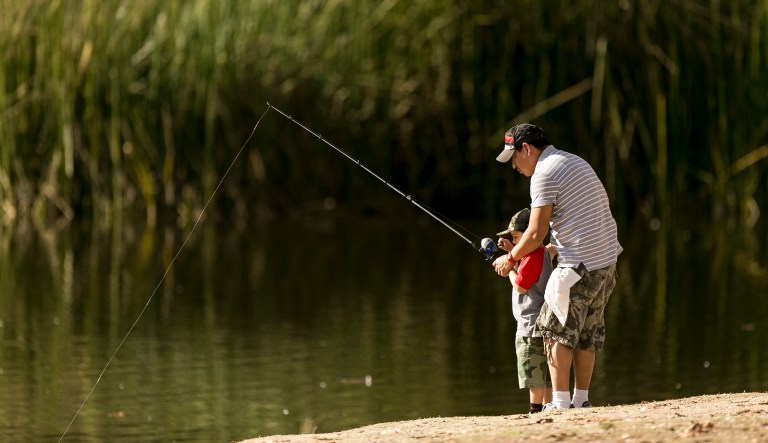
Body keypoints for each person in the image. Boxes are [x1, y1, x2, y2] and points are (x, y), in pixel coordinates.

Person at [493, 124, 622, 410]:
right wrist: (552, 249)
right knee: (586, 335)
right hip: (606, 262)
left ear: (527, 149)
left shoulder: (544, 173)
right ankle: (581, 400)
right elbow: (580, 218)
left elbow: (535, 232)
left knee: (552, 330)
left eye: (514, 158)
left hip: (578, 266)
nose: (513, 165)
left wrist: (510, 258)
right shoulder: (574, 161)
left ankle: (560, 403)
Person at [493, 207, 553, 414]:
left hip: (529, 325)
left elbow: (520, 286)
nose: (516, 242)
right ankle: (548, 407)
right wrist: (512, 251)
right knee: (544, 371)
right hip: (542, 322)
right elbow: (526, 265)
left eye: (517, 237)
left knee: (532, 370)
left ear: (529, 235)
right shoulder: (541, 252)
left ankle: (535, 410)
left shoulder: (532, 256)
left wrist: (509, 269)